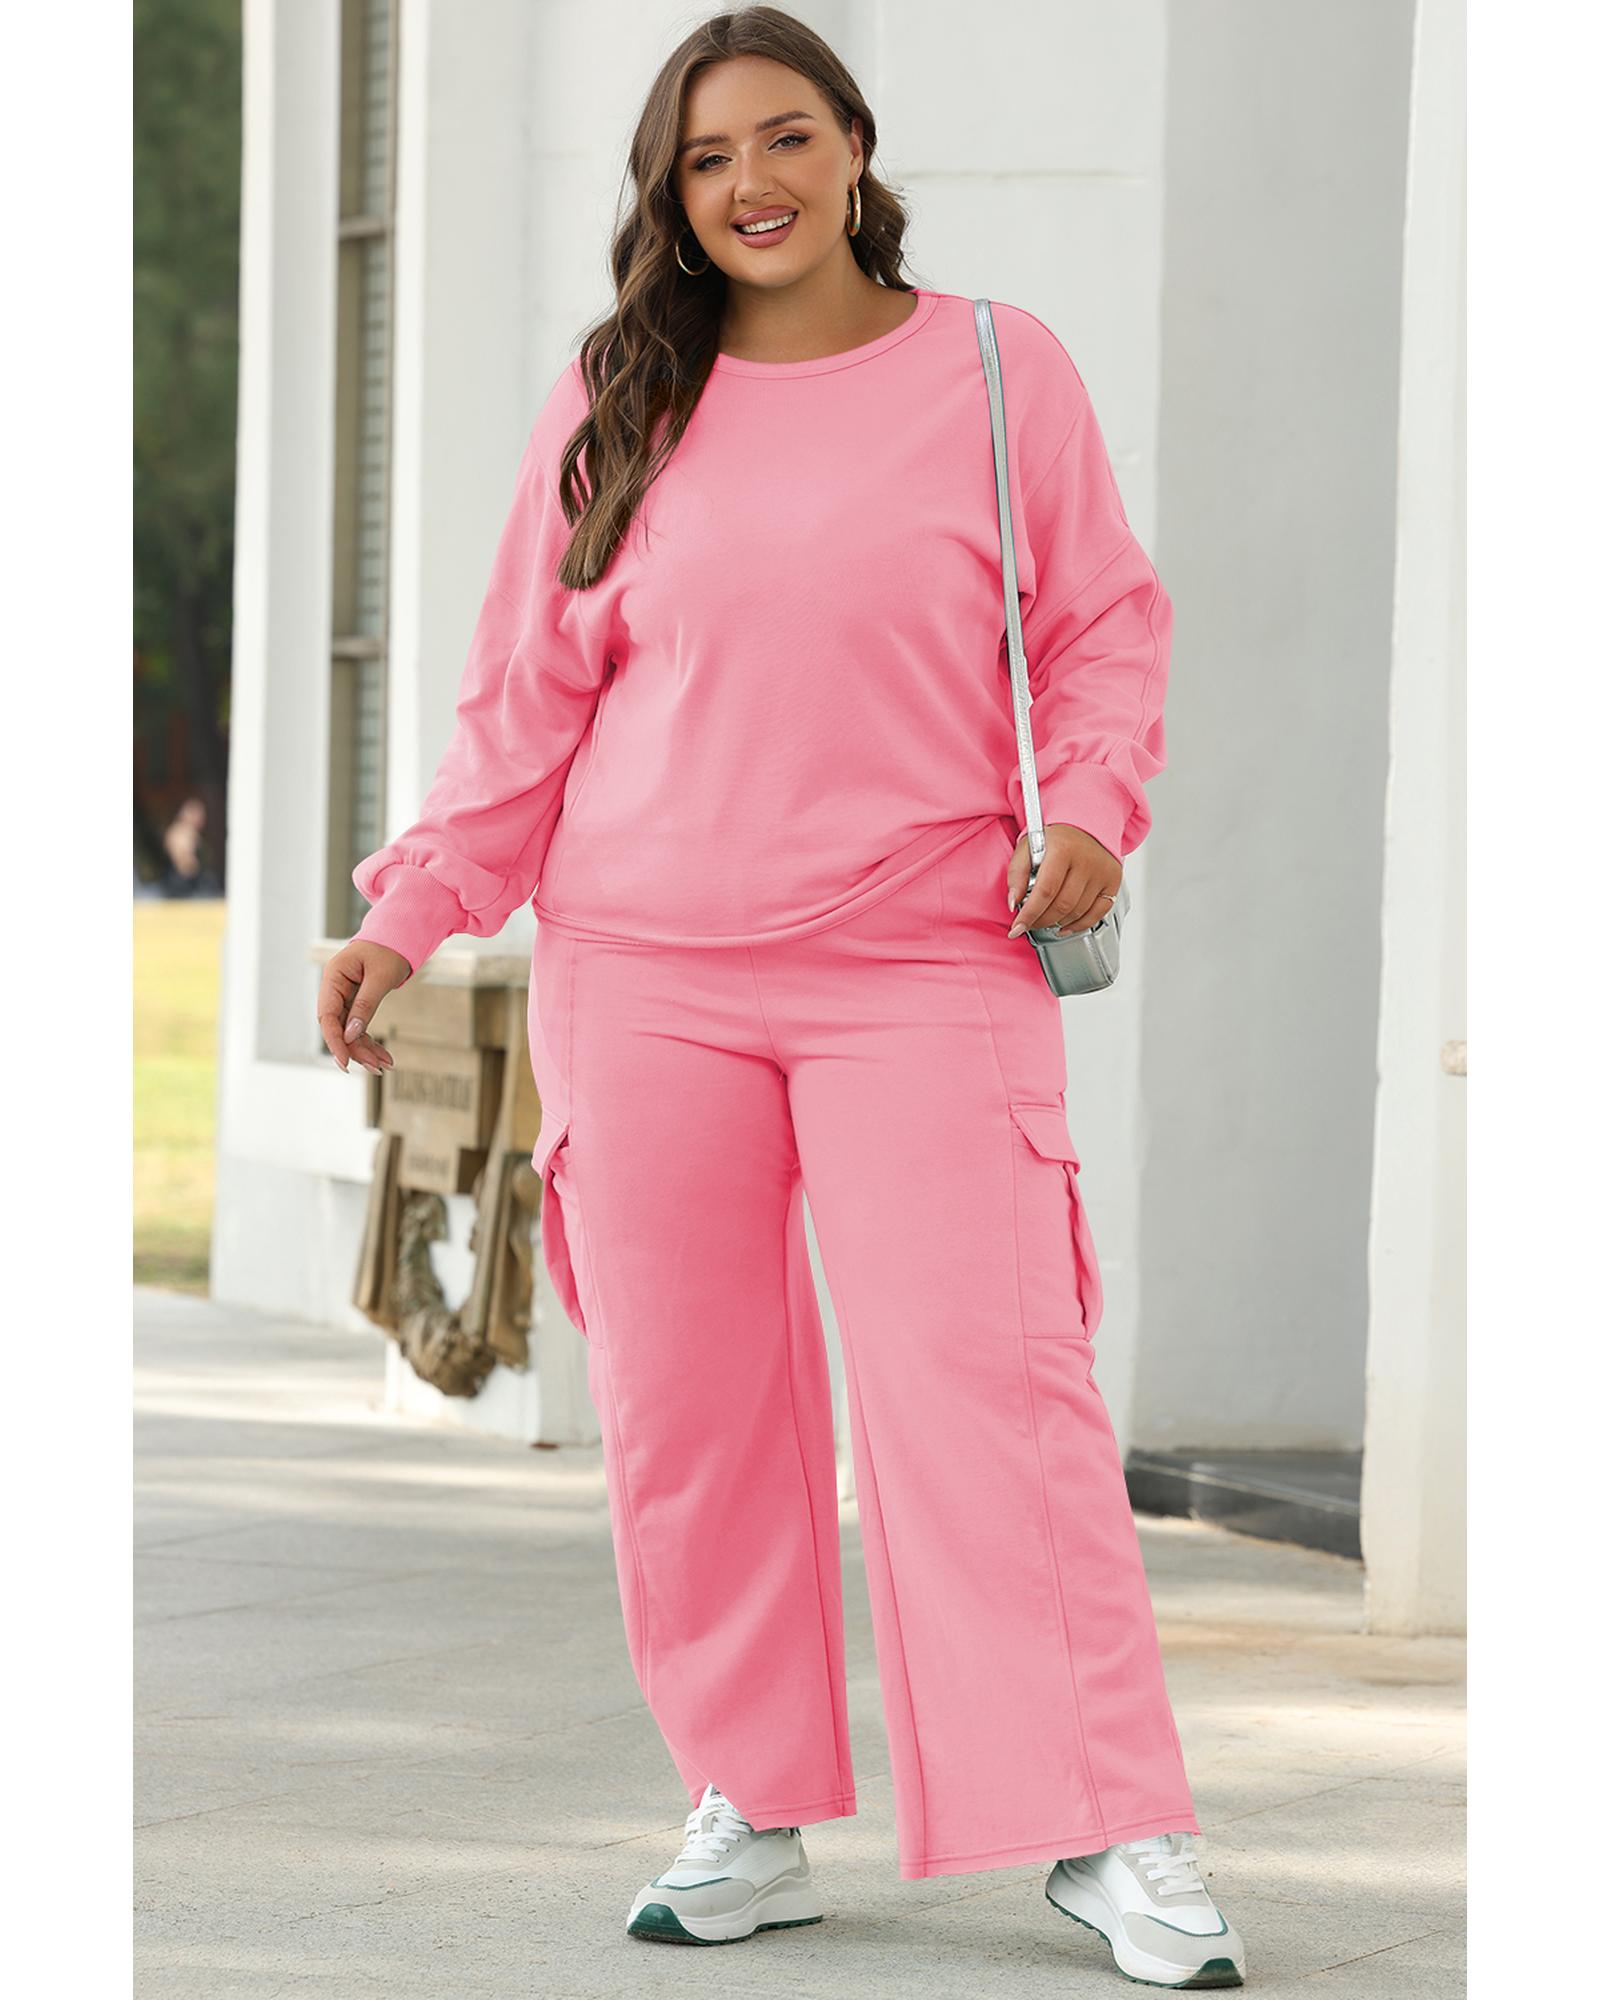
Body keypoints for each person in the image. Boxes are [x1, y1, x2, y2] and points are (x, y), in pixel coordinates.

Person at [316, 7, 1245, 1986]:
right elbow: (521, 708)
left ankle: (1106, 1821)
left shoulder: (994, 368)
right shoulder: (620, 396)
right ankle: (746, 1796)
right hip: (645, 977)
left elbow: (1101, 627)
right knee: (690, 1409)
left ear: (853, 148)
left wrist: (1092, 809)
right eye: (709, 154)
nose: (753, 180)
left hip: (925, 959)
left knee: (996, 1392)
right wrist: (407, 915)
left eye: (788, 136)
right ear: (670, 192)